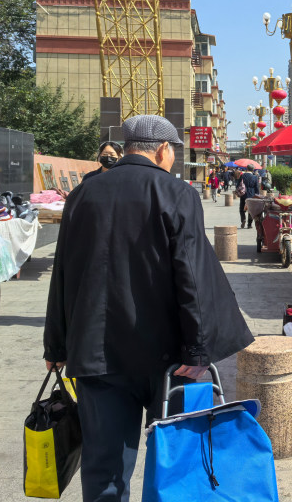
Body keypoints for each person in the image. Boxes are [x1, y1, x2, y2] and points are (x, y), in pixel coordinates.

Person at [43, 114, 254, 502]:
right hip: (167, 358)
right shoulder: (176, 193)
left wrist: (55, 347)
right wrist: (197, 350)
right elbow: (190, 275)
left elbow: (63, 274)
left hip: (96, 355)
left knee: (104, 473)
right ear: (162, 149)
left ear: (126, 149)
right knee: (175, 466)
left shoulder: (82, 195)